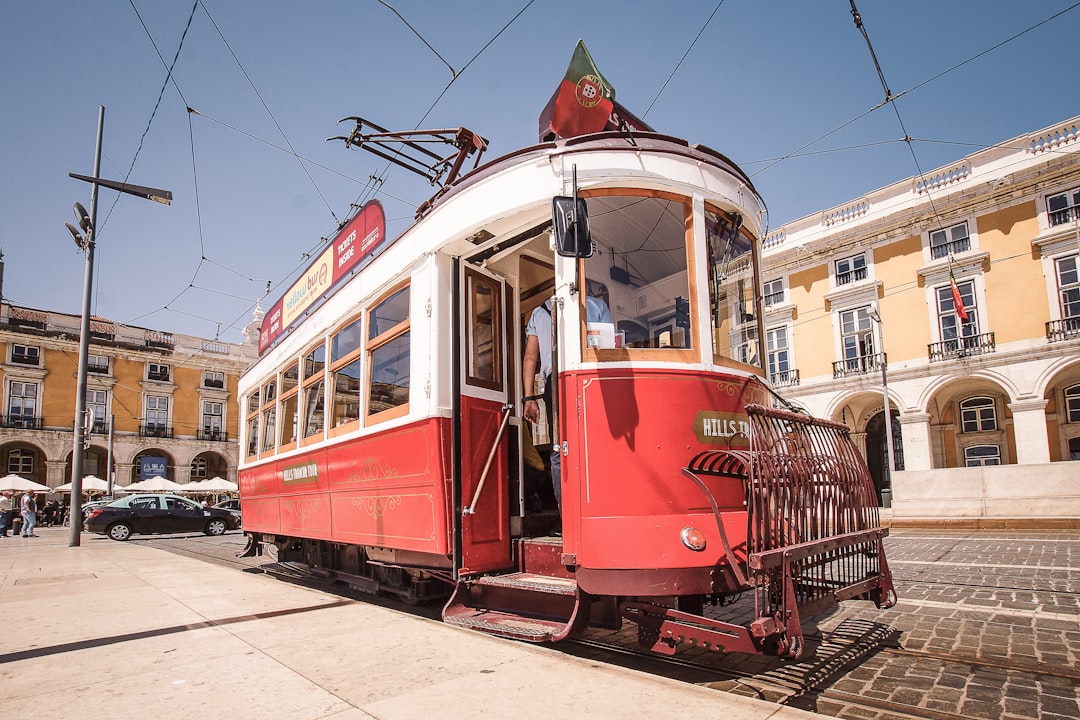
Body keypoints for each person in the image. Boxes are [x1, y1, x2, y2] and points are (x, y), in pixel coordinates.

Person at [522, 290, 611, 534]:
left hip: (555, 385)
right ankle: (600, 511)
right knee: (595, 444)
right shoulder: (595, 305)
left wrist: (529, 397)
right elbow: (608, 348)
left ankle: (568, 521)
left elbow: (531, 357)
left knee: (560, 450)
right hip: (591, 377)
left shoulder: (539, 312)